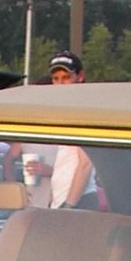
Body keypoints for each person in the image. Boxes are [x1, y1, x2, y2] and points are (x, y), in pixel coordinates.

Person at [12, 51, 101, 210]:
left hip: (80, 201)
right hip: (61, 202)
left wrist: (68, 206)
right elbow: (65, 163)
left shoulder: (84, 110)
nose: (60, 84)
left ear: (80, 77)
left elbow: (85, 164)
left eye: (66, 78)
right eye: (56, 78)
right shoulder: (66, 113)